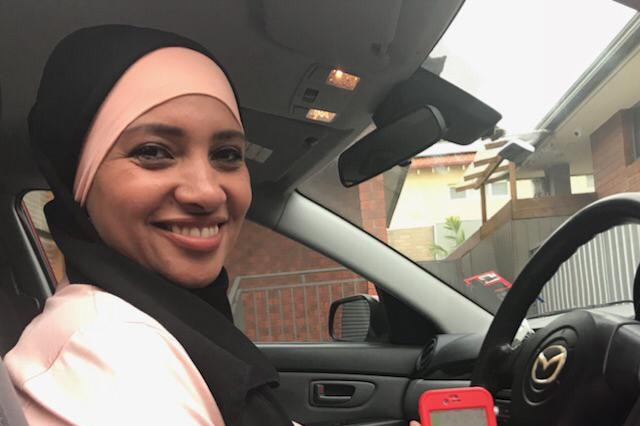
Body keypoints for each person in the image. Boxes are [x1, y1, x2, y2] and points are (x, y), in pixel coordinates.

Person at [3, 24, 293, 425]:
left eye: (226, 154)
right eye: (153, 151)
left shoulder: (162, 327)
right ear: (79, 184)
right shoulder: (103, 355)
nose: (207, 192)